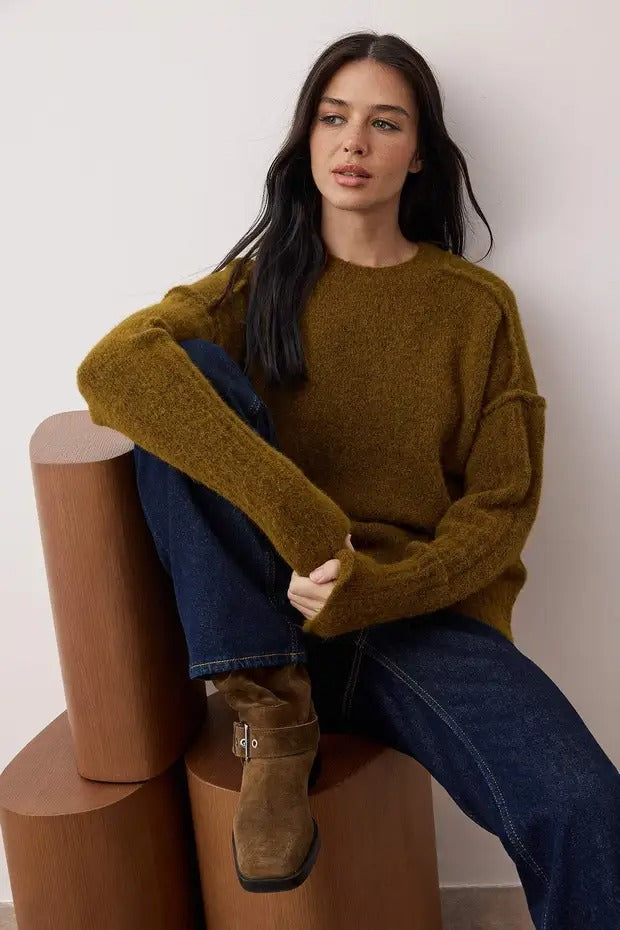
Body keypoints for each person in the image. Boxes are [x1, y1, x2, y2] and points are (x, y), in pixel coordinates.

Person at [76, 29, 620, 924]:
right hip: (268, 621)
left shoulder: (475, 308)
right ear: (308, 138)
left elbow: (501, 507)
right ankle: (271, 718)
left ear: (420, 155)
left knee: (585, 806)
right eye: (333, 118)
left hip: (415, 620)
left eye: (384, 123)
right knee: (180, 376)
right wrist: (302, 521)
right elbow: (112, 368)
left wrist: (374, 586)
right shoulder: (253, 288)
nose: (353, 142)